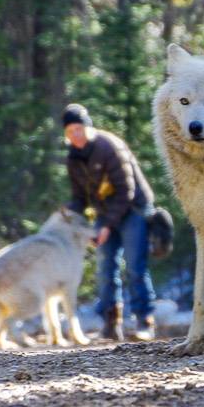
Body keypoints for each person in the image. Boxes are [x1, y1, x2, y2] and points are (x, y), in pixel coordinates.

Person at [62, 103, 158, 342]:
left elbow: (127, 191)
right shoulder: (73, 158)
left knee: (135, 267)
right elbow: (79, 197)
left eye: (79, 129)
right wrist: (68, 214)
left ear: (88, 128)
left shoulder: (109, 147)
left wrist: (106, 226)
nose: (76, 134)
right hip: (105, 214)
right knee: (106, 268)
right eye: (70, 131)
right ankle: (110, 324)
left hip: (134, 208)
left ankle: (144, 322)